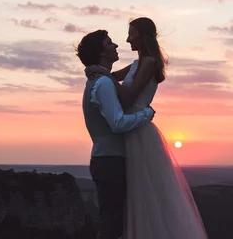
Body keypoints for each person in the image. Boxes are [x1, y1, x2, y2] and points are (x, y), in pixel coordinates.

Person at [86, 17, 208, 239]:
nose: (127, 39)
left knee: (147, 194)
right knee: (131, 198)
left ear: (142, 36)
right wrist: (100, 74)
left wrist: (103, 77)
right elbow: (111, 77)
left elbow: (127, 95)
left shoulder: (149, 62)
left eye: (131, 34)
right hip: (130, 129)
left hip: (139, 129)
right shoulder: (135, 64)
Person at [76, 29, 156, 239]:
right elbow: (118, 123)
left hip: (108, 159)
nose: (116, 46)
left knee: (114, 221)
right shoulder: (102, 83)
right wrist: (146, 114)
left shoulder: (99, 80)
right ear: (102, 53)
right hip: (110, 161)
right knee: (112, 225)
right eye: (110, 43)